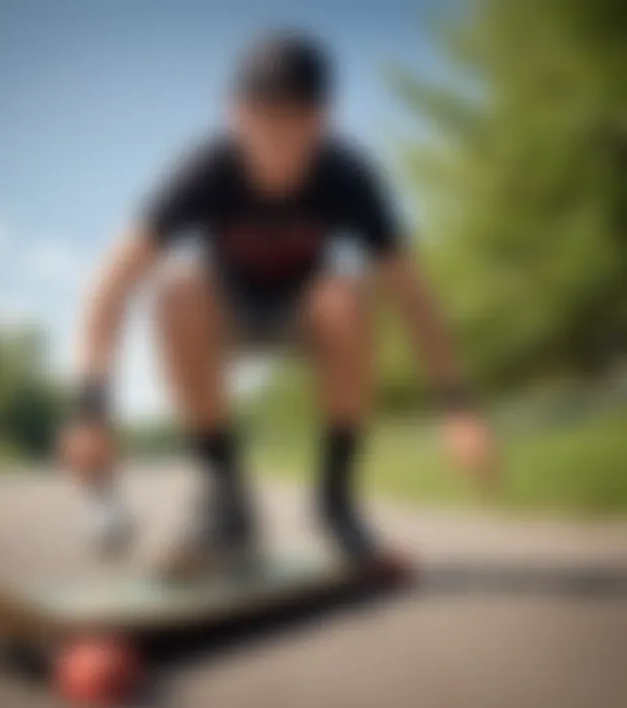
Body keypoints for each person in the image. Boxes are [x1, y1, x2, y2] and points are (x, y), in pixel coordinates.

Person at [60, 31, 497, 576]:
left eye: (291, 121)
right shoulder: (205, 170)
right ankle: (226, 497)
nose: (273, 139)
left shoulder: (347, 176)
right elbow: (110, 282)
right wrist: (90, 408)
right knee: (177, 290)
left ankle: (335, 499)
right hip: (227, 314)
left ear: (322, 119)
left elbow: (414, 294)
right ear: (233, 113)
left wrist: (457, 405)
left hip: (304, 315)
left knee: (349, 294)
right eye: (259, 118)